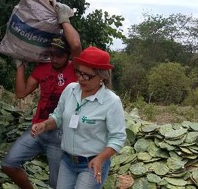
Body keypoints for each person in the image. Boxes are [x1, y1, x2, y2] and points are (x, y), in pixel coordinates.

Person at [1, 11, 82, 189]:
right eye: (52, 54)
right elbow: (21, 93)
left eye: (59, 55)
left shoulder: (74, 70)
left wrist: (64, 20)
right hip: (37, 129)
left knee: (57, 184)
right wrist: (20, 65)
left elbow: (75, 44)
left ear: (68, 56)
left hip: (60, 135)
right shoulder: (43, 68)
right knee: (9, 164)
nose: (54, 59)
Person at [31, 46, 127, 189]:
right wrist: (44, 125)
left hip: (92, 164)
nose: (80, 78)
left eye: (86, 75)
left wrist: (100, 159)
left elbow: (118, 138)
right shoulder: (70, 90)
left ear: (101, 76)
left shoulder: (111, 101)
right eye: (78, 72)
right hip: (67, 161)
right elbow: (58, 117)